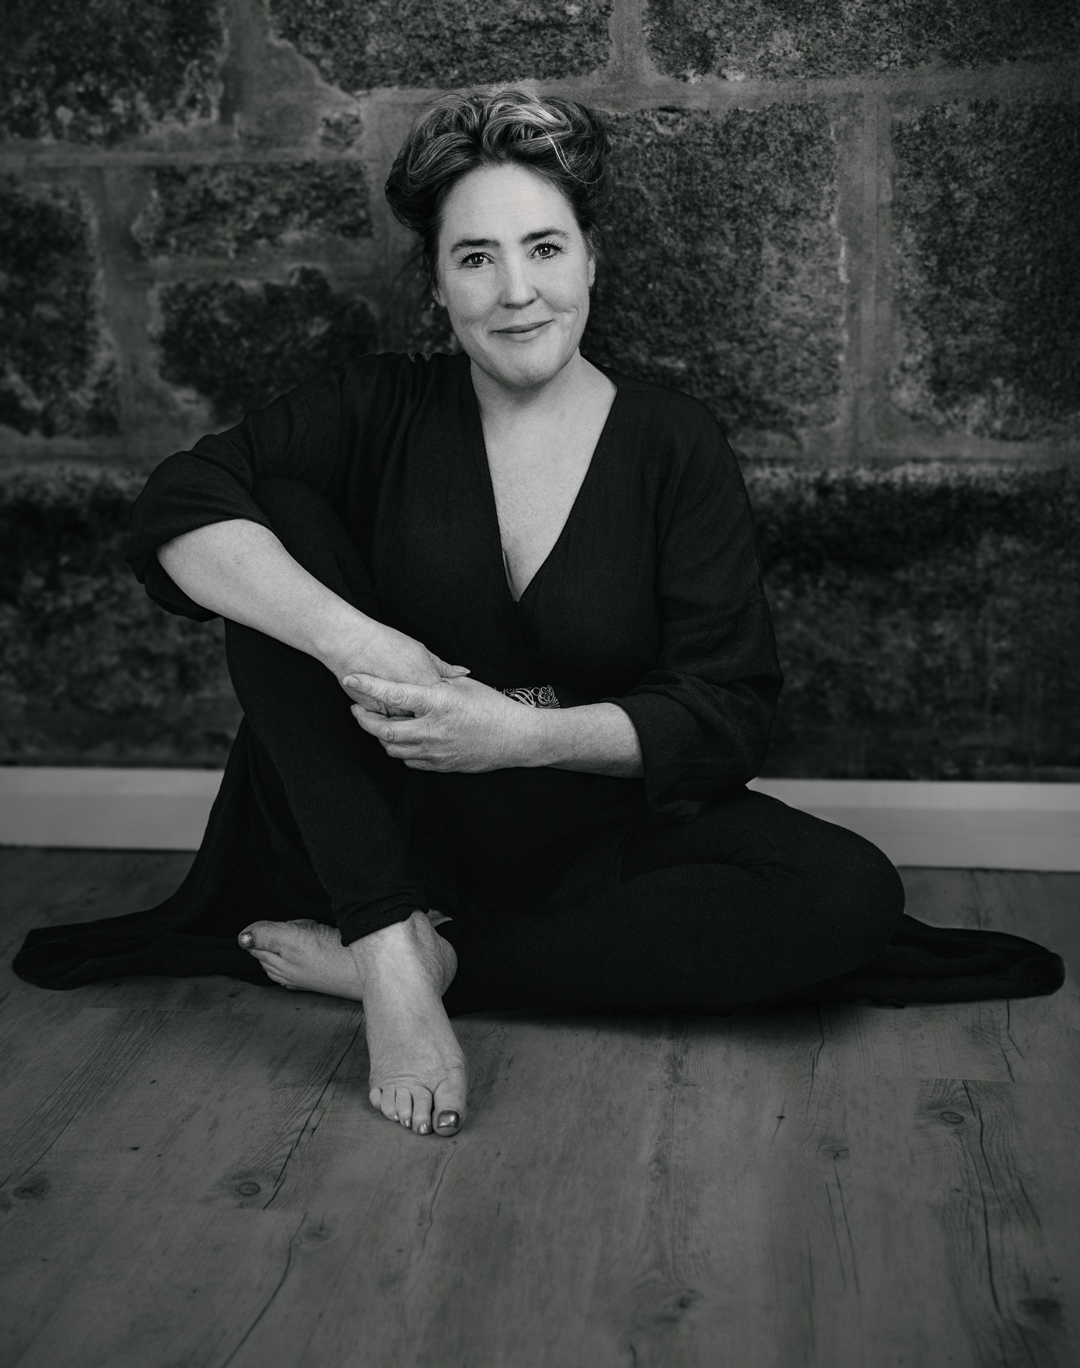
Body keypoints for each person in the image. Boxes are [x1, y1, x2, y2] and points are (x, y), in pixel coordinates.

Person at [14, 87, 1063, 1139]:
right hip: (370, 827)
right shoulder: (377, 405)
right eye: (476, 257)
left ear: (590, 260)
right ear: (438, 284)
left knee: (845, 894)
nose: (517, 292)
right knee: (264, 520)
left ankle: (445, 962)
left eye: (544, 248)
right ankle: (388, 945)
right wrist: (364, 642)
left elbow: (729, 710)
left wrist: (516, 735)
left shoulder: (671, 443)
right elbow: (177, 502)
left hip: (580, 840)